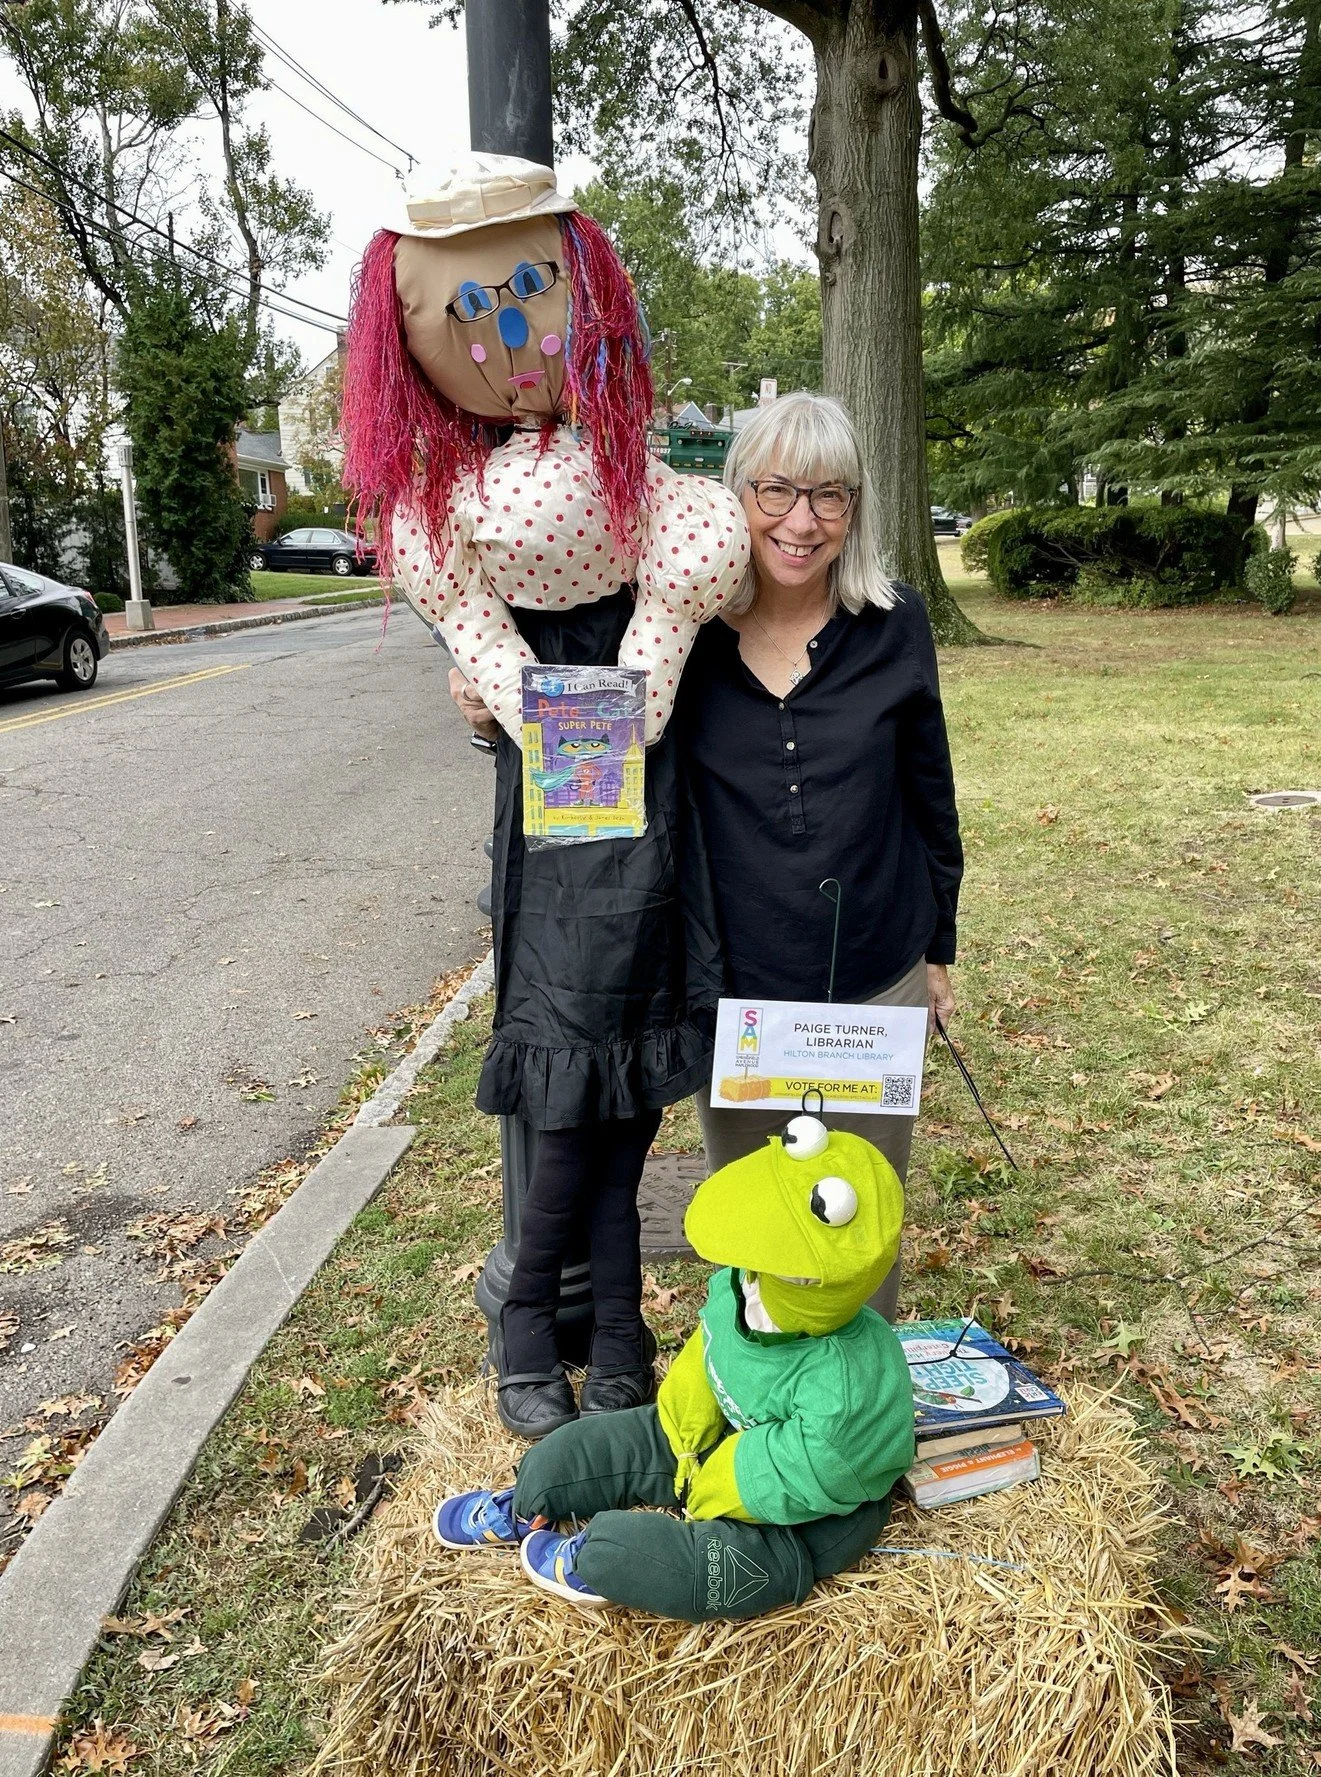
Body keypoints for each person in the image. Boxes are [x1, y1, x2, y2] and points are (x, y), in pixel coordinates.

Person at [346, 153, 744, 1442]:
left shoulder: (640, 482)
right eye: (469, 308)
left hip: (650, 789)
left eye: (529, 293)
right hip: (561, 799)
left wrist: (629, 692)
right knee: (567, 1079)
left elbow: (690, 583)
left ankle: (619, 1327)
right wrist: (511, 696)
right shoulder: (446, 505)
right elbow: (467, 619)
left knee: (630, 1087)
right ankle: (529, 1325)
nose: (505, 330)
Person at [676, 391, 964, 1320]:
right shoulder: (679, 632)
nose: (801, 521)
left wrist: (939, 949)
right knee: (762, 1217)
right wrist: (492, 719)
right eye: (777, 490)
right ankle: (764, 1397)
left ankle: (854, 1419)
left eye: (829, 496)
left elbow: (930, 793)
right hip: (739, 995)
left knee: (860, 1217)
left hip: (874, 982)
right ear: (736, 494)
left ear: (855, 509)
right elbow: (591, 735)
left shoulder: (894, 623)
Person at [432, 1114, 915, 1620]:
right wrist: (682, 1442)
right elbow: (707, 1358)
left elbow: (785, 1473)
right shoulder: (739, 1285)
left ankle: (595, 1561)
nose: (748, 1278)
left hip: (803, 1519)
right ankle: (530, 1499)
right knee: (566, 1456)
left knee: (692, 1566)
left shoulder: (846, 1385)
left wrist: (699, 1487)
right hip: (718, 1434)